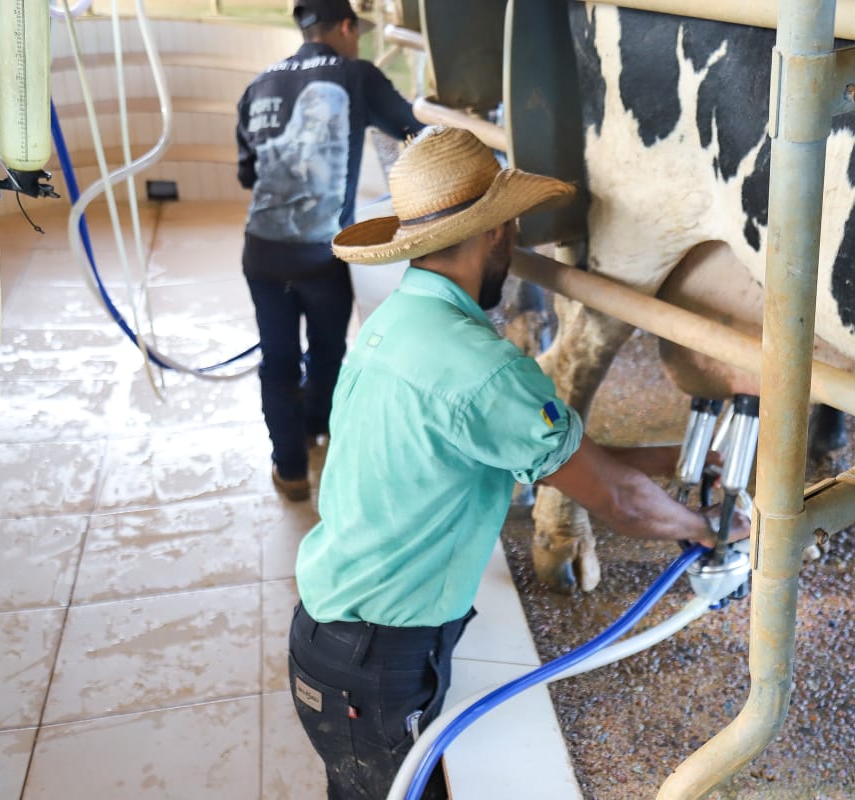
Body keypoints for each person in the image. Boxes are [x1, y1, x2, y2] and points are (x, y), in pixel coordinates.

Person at [287, 126, 753, 800]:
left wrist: (678, 458)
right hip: (374, 665)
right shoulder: (481, 369)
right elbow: (615, 501)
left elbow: (561, 460)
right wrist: (711, 527)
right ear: (498, 233)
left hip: (336, 640)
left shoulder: (401, 324)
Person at [235, 0, 423, 502]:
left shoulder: (259, 84)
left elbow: (249, 176)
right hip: (321, 259)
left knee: (277, 362)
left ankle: (290, 469)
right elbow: (415, 131)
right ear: (346, 27)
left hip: (263, 256)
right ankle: (320, 430)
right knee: (327, 354)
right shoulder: (356, 74)